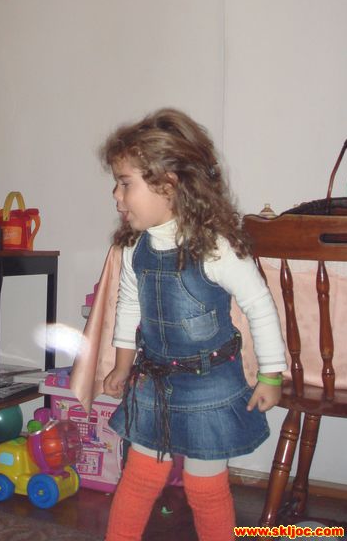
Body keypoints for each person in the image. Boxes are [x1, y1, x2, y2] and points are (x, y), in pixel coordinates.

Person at [101, 108, 286, 541]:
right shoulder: (134, 248)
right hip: (154, 383)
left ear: (168, 184)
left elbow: (260, 306)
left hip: (209, 386)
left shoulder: (215, 247)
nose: (115, 194)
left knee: (205, 488)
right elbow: (129, 307)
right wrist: (122, 365)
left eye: (125, 183)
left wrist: (271, 375)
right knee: (139, 477)